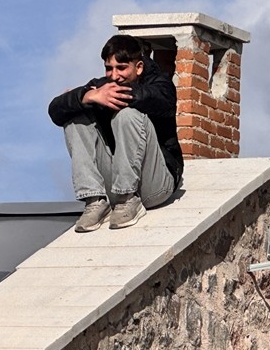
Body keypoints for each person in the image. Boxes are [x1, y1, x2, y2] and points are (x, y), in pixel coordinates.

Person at [48, 34, 182, 231]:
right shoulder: (101, 87)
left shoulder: (161, 85)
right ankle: (95, 201)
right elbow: (55, 110)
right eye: (109, 68)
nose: (114, 75)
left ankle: (129, 199)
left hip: (157, 185)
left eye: (121, 68)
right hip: (114, 189)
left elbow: (163, 101)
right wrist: (85, 96)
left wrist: (110, 95)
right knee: (75, 119)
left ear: (139, 67)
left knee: (126, 115)